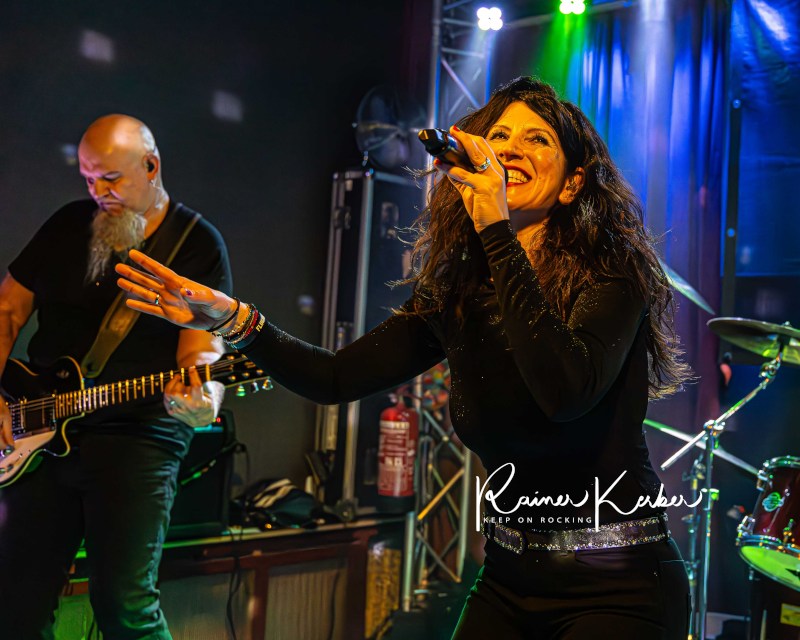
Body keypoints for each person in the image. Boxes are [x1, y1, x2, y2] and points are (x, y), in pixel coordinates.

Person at [116, 77, 693, 639]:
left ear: (572, 184)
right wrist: (231, 318)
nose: (512, 147)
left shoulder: (612, 276)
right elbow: (336, 377)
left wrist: (496, 227)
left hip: (618, 582)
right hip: (510, 577)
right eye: (499, 136)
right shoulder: (459, 291)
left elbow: (565, 392)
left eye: (537, 139)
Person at [0, 114, 232, 639]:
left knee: (124, 606)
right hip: (39, 425)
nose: (98, 193)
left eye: (110, 179)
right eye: (88, 179)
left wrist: (202, 398)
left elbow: (201, 348)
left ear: (150, 166)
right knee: (14, 603)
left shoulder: (196, 244)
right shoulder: (68, 224)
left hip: (139, 434)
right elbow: (8, 309)